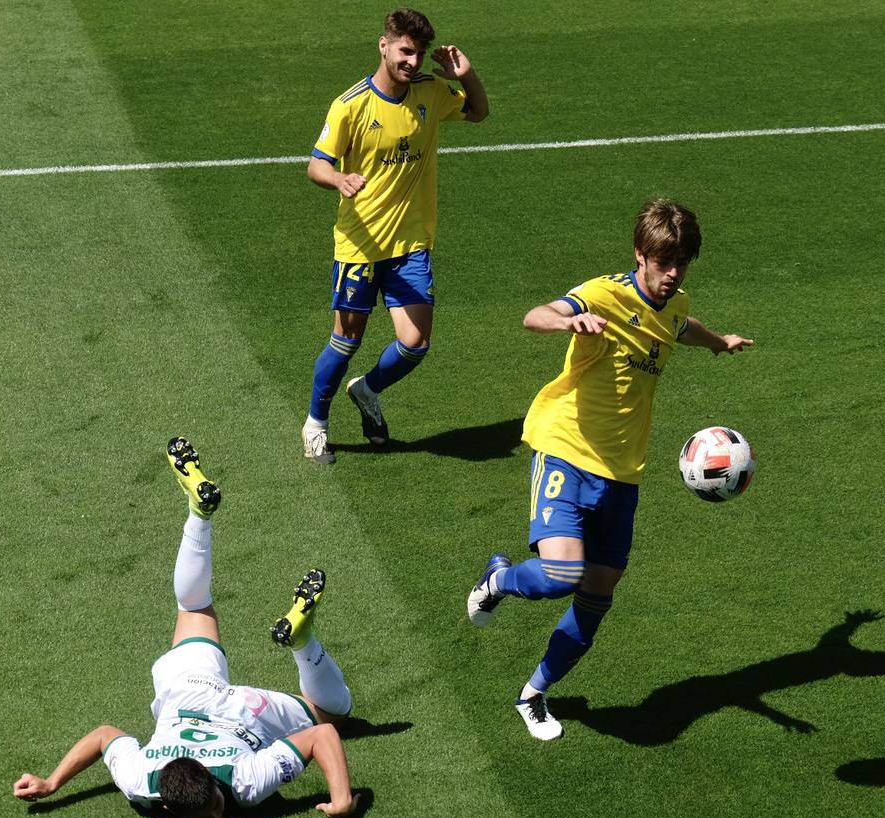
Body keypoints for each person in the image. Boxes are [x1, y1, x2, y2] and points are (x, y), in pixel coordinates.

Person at [465, 200, 754, 740]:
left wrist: (720, 342)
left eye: (682, 265)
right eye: (664, 263)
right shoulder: (604, 294)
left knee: (597, 596)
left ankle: (533, 694)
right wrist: (568, 320)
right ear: (640, 255)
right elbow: (536, 315)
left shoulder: (674, 301)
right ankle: (497, 579)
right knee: (562, 575)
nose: (672, 276)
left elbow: (678, 324)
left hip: (623, 474)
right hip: (566, 449)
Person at [13, 438, 360, 818]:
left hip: (240, 709)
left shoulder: (241, 784)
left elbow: (323, 737)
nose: (220, 810)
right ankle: (200, 513)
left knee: (334, 716)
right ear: (166, 804)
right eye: (213, 809)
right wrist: (51, 782)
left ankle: (302, 640)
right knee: (194, 606)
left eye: (213, 804)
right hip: (192, 692)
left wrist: (341, 800)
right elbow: (104, 735)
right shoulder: (142, 775)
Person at [302, 7, 489, 463]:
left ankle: (367, 391)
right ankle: (316, 424)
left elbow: (479, 112)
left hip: (410, 245)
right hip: (361, 244)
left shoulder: (430, 92)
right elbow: (316, 165)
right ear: (384, 46)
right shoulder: (350, 105)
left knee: (416, 343)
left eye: (420, 53)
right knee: (346, 340)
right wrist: (339, 179)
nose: (413, 61)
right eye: (406, 51)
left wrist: (467, 76)